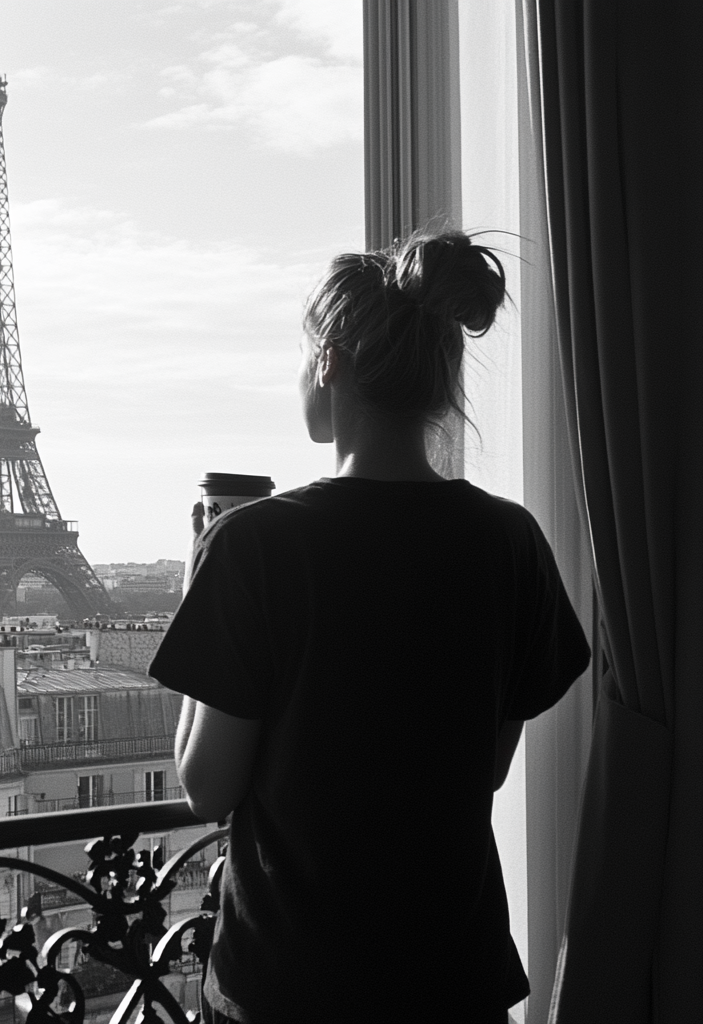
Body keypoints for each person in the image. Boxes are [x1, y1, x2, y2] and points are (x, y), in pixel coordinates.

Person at [148, 230, 591, 1024]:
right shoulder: (510, 540)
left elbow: (204, 785)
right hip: (452, 972)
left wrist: (198, 579)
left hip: (293, 980)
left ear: (328, 365)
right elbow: (483, 769)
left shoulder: (254, 546)